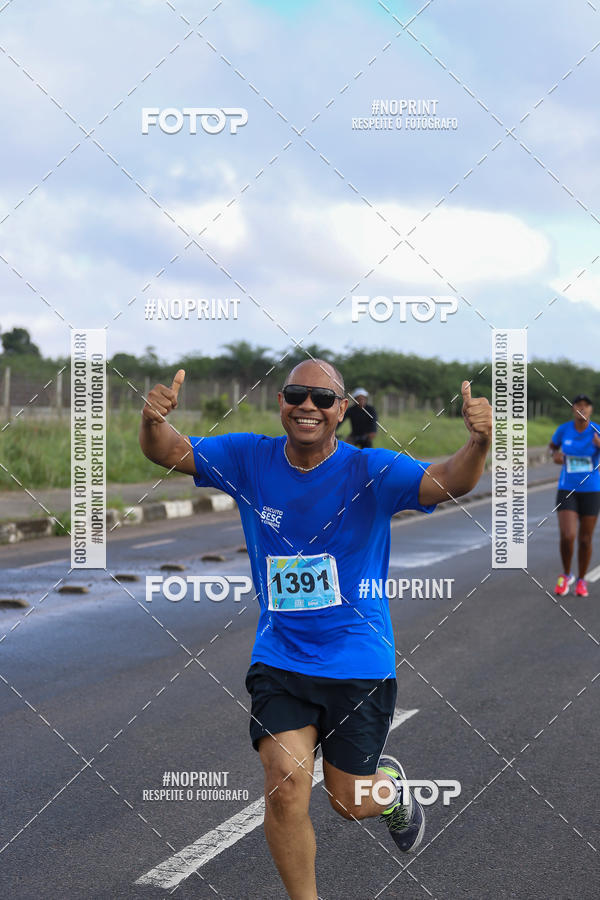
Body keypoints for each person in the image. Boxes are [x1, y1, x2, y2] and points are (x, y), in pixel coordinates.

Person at [139, 360, 492, 900]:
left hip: (357, 659)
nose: (308, 405)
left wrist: (478, 444)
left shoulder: (369, 470)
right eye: (296, 394)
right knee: (284, 788)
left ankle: (391, 793)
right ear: (281, 401)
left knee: (349, 803)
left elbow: (450, 480)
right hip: (281, 656)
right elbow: (166, 450)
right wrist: (152, 419)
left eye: (323, 399)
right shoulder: (247, 458)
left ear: (342, 410)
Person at [549, 394, 600, 597]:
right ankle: (566, 574)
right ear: (573, 409)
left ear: (590, 410)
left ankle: (581, 580)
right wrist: (555, 456)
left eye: (586, 406)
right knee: (568, 535)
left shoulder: (597, 430)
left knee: (585, 539)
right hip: (567, 488)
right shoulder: (564, 430)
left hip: (592, 489)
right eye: (578, 405)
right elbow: (552, 448)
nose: (582, 409)